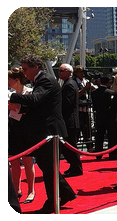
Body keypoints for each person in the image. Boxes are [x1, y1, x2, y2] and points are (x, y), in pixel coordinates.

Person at [9, 54, 76, 213]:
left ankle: (52, 202)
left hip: (50, 130)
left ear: (35, 67)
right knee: (47, 166)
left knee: (49, 168)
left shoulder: (44, 80)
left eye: (25, 69)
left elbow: (35, 99)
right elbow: (38, 105)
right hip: (46, 129)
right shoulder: (41, 80)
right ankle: (66, 193)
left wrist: (11, 95)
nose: (24, 72)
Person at [8, 67, 35, 204]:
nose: (7, 82)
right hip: (13, 130)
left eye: (9, 80)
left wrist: (13, 107)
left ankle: (31, 190)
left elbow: (27, 111)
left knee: (27, 161)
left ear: (16, 80)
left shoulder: (29, 93)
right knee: (14, 161)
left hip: (26, 131)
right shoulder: (9, 93)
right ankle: (16, 189)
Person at [58, 64, 83, 177]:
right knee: (68, 146)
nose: (59, 73)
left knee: (70, 146)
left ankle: (76, 168)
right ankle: (74, 167)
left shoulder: (69, 84)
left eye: (62, 70)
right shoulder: (69, 83)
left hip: (70, 120)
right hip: (69, 120)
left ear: (69, 72)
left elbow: (66, 103)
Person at [91, 74, 115, 160]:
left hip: (99, 115)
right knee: (111, 135)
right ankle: (112, 153)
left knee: (99, 135)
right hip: (109, 116)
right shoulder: (111, 93)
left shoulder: (94, 93)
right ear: (108, 83)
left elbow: (94, 105)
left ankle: (98, 153)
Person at [73, 65, 96, 152]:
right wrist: (85, 88)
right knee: (77, 130)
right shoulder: (74, 82)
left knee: (88, 129)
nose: (83, 74)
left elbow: (94, 89)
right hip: (78, 110)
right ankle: (75, 150)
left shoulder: (86, 81)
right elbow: (76, 95)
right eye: (81, 72)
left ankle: (90, 148)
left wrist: (92, 87)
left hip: (87, 109)